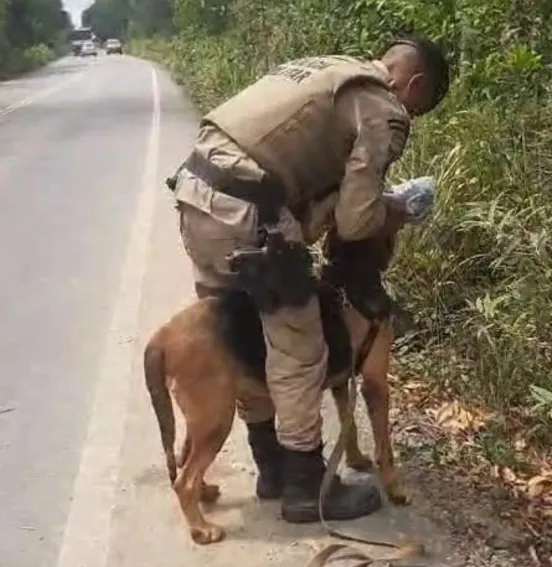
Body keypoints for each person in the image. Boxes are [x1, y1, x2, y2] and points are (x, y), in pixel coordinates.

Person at [168, 34, 450, 524]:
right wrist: (397, 209)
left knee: (243, 334)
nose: (411, 117)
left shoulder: (329, 65)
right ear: (415, 84)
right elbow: (358, 221)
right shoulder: (383, 107)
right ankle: (304, 486)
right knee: (300, 346)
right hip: (247, 211)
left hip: (196, 198)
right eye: (418, 107)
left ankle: (270, 467)